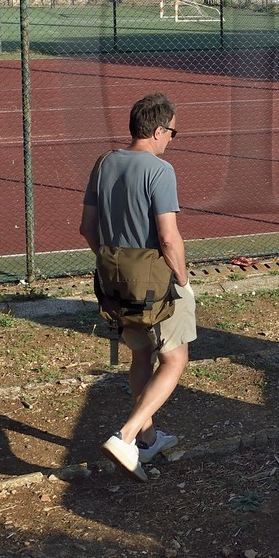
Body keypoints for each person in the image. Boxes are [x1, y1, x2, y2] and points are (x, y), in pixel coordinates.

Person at [80, 92, 195, 481]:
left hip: (114, 280)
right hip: (155, 283)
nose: (171, 140)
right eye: (173, 133)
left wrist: (115, 261)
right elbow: (168, 237)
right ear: (159, 130)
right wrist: (182, 280)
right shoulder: (160, 171)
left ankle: (147, 439)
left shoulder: (104, 163)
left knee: (141, 355)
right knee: (175, 360)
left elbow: (87, 228)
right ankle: (127, 436)